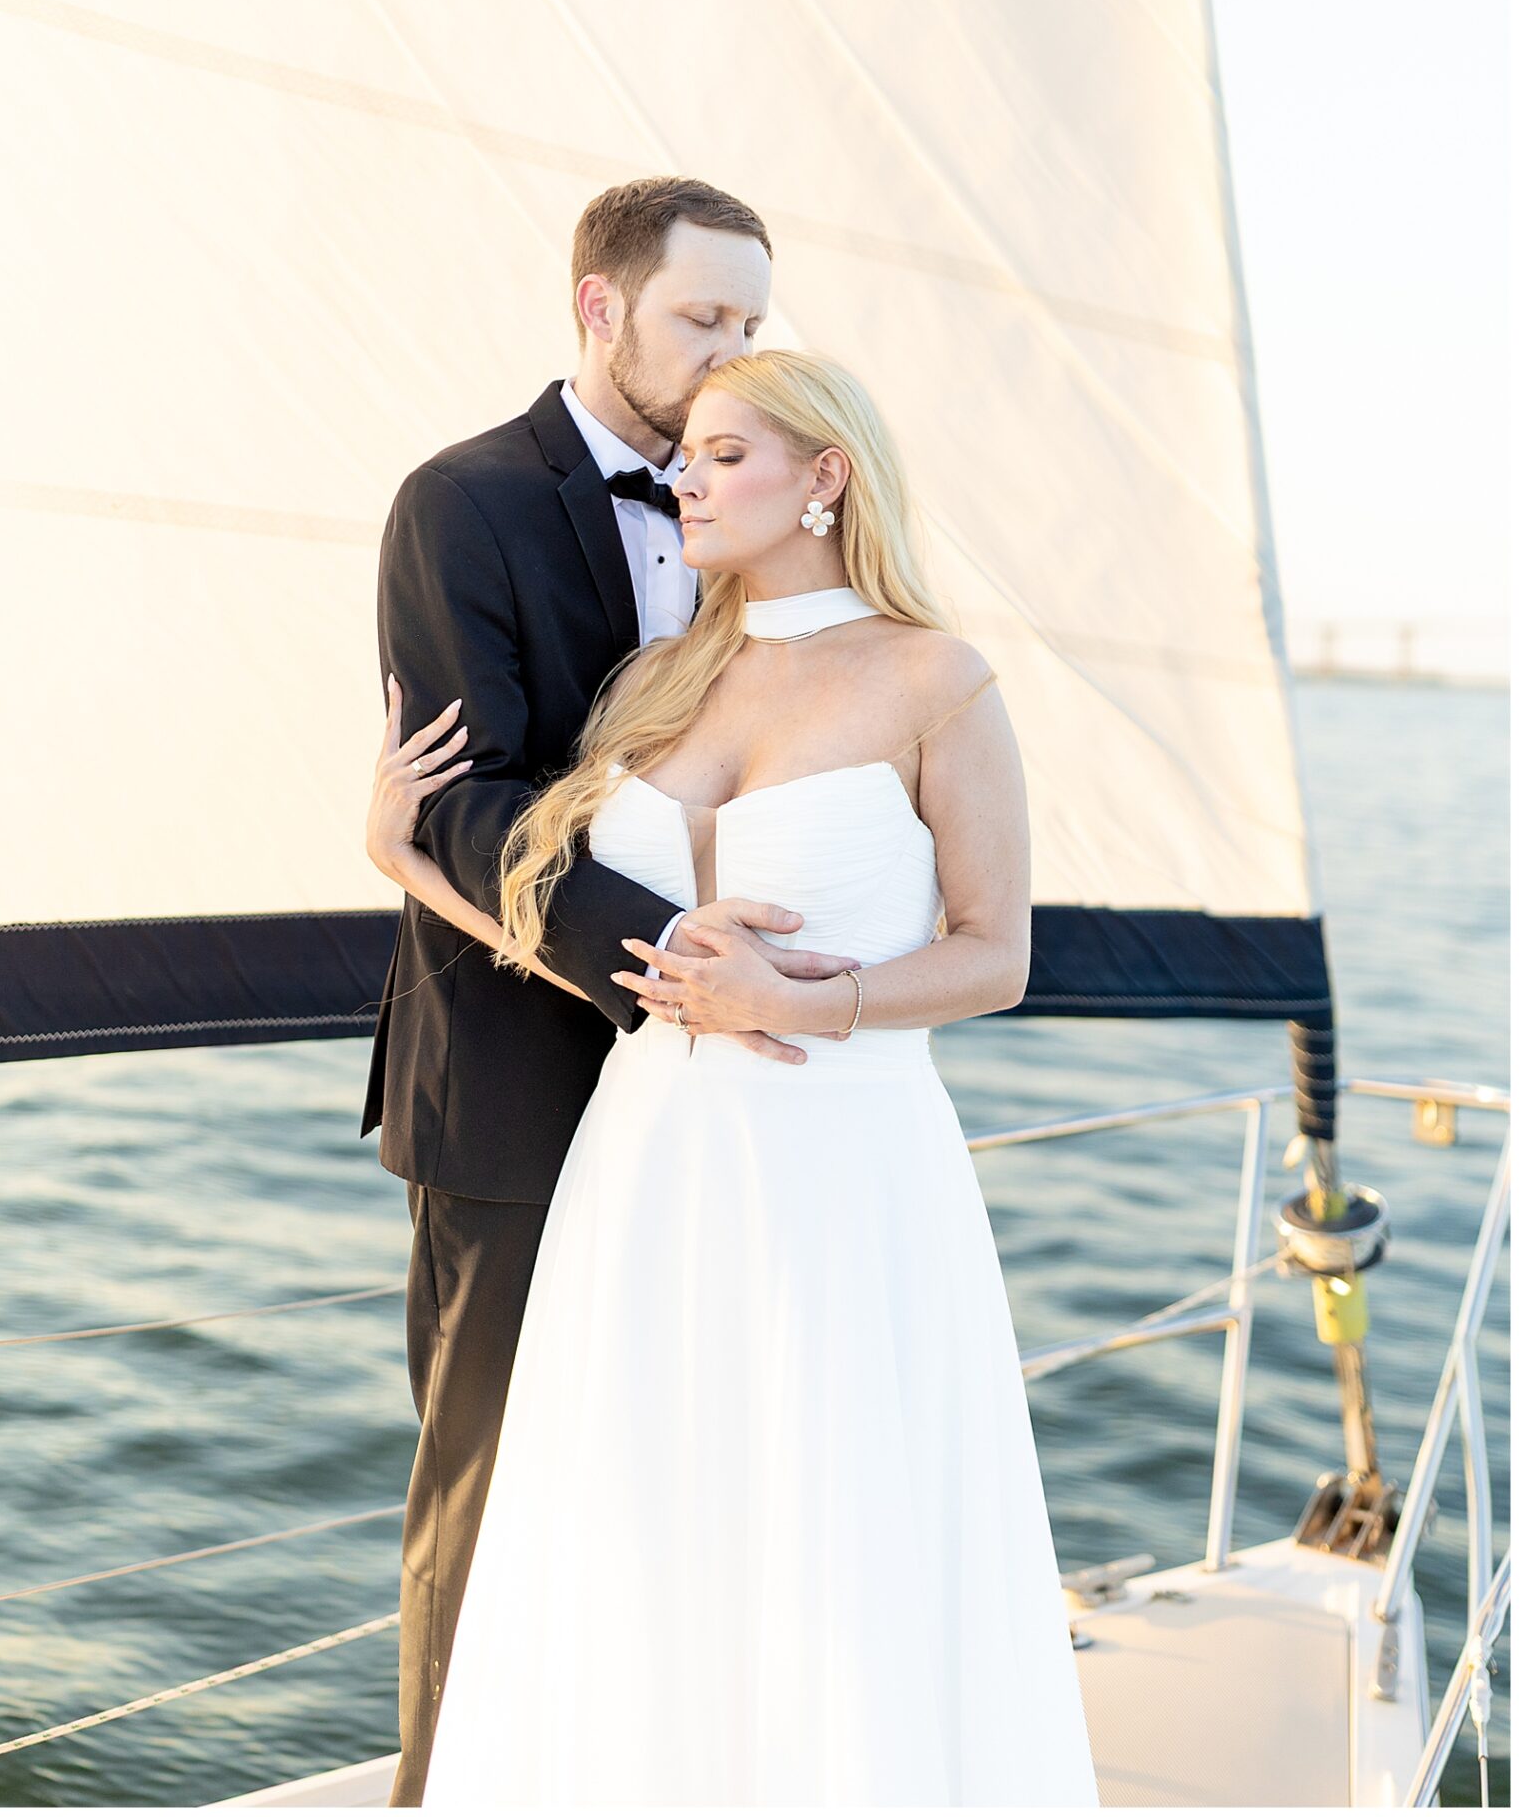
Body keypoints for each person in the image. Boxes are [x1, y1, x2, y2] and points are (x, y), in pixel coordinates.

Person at [366, 346, 1102, 1807]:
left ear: (822, 477)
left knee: (827, 1531)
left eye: (721, 456)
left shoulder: (933, 678)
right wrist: (394, 851)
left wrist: (808, 1001)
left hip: (839, 1170)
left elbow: (994, 956)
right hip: (641, 1161)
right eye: (684, 458)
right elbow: (576, 940)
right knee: (640, 1522)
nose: (685, 481)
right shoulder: (655, 680)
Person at [363, 179, 858, 1806]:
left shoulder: (753, 511)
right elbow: (467, 795)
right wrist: (682, 963)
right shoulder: (460, 504)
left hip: (722, 1104)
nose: (730, 351)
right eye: (699, 319)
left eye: (748, 324)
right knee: (492, 1494)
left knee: (696, 1475)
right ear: (597, 307)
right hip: (513, 1083)